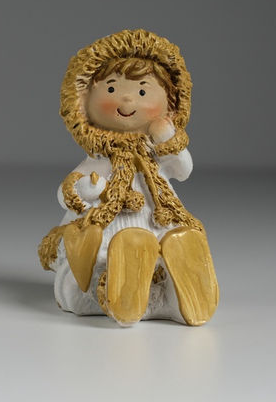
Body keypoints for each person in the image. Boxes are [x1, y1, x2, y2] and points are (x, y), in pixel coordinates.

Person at [38, 29, 218, 326]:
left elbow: (183, 169)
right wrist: (86, 188)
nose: (127, 99)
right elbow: (66, 193)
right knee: (86, 273)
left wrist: (167, 139)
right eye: (111, 89)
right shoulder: (100, 157)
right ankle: (124, 283)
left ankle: (185, 290)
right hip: (107, 235)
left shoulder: (157, 151)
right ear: (83, 102)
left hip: (160, 222)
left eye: (143, 92)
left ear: (171, 103)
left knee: (166, 258)